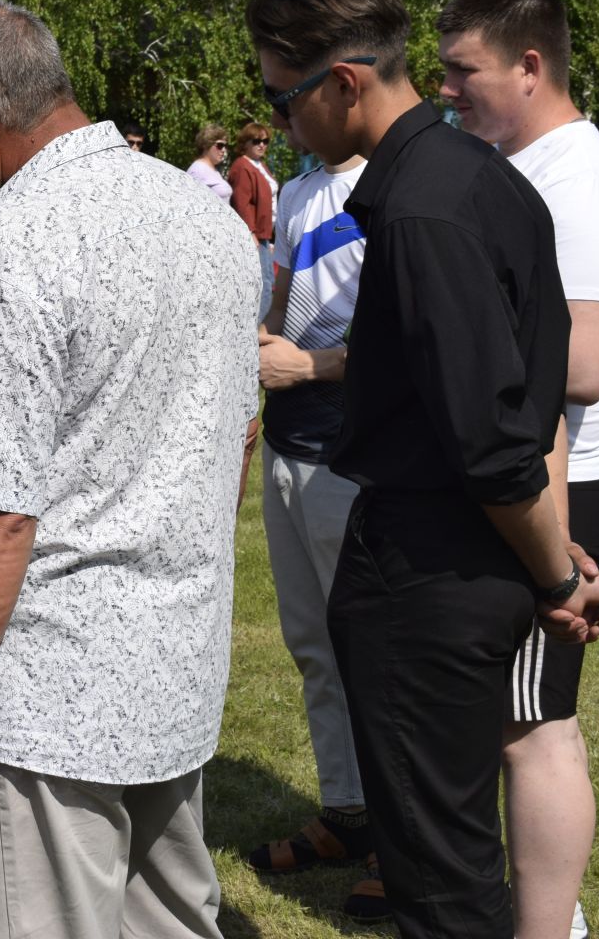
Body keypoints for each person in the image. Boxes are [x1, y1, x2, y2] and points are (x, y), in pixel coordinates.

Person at [245, 0, 599, 939]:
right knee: (444, 850)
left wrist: (556, 572)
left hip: (432, 568)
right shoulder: (475, 177)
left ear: (342, 81)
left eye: (279, 98)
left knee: (439, 876)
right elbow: (529, 404)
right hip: (463, 555)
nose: (281, 126)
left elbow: (497, 435)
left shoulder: (423, 207)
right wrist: (556, 555)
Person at [0, 0, 258, 939]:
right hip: (173, 659)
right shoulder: (205, 215)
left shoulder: (17, 242)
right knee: (173, 921)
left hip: (51, 692)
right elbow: (236, 439)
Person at [437, 0, 599, 939]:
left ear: (530, 67)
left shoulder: (587, 187)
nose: (447, 91)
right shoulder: (518, 168)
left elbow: (592, 364)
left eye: (462, 72)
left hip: (560, 482)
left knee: (534, 729)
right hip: (520, 473)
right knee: (504, 719)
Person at [241, 107, 376, 911]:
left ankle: (401, 839)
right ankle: (349, 814)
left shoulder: (396, 188)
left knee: (371, 651)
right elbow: (281, 308)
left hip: (354, 450)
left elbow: (415, 341)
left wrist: (313, 370)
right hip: (291, 441)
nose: (282, 115)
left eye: (292, 95)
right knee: (314, 645)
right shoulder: (296, 191)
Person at [227, 122, 279, 318]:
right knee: (264, 284)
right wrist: (250, 233)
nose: (262, 145)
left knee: (267, 282)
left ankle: (260, 331)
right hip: (254, 236)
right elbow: (242, 203)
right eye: (256, 141)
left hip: (264, 235)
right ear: (245, 143)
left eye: (265, 141)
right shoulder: (242, 166)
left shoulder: (260, 165)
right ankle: (258, 333)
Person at [187, 123, 232, 200]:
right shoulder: (197, 170)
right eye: (220, 145)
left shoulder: (214, 171)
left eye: (225, 146)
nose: (224, 150)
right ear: (206, 145)